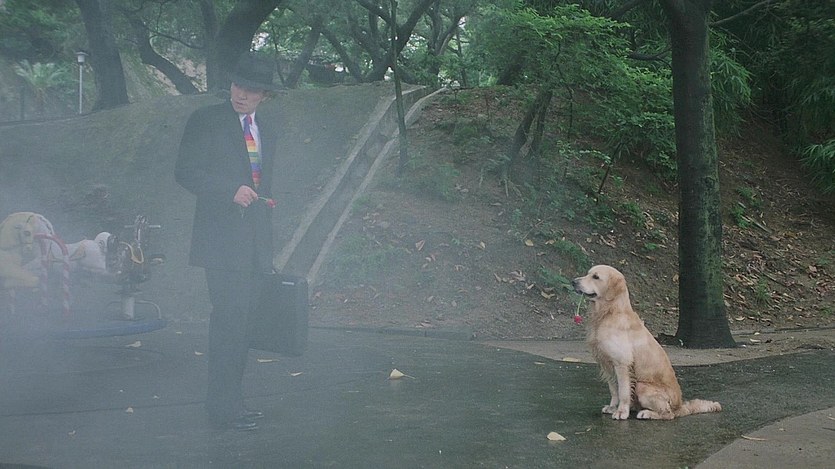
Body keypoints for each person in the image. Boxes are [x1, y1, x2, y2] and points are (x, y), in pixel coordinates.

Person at [175, 53, 279, 431]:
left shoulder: (266, 128)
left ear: (265, 94)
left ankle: (232, 402)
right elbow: (185, 172)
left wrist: (265, 208)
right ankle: (223, 407)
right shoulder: (206, 120)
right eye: (237, 85)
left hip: (255, 245)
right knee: (229, 323)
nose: (241, 94)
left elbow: (262, 181)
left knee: (244, 326)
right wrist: (228, 190)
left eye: (250, 90)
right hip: (220, 243)